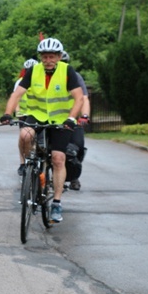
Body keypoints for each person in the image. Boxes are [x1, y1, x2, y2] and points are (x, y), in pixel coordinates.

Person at [0, 37, 84, 223]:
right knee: (25, 134)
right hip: (37, 115)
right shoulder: (33, 71)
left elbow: (79, 98)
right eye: (45, 57)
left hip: (61, 120)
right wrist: (7, 113)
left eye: (52, 56)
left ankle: (56, 202)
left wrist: (71, 118)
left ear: (60, 56)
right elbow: (17, 93)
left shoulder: (67, 71)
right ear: (40, 57)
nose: (48, 60)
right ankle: (31, 163)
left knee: (58, 158)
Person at [61, 51, 90, 190]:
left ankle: (74, 177)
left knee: (78, 145)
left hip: (72, 119)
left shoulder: (75, 77)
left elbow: (84, 98)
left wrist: (84, 115)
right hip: (51, 119)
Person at [15, 58, 38, 176]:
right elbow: (16, 98)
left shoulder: (41, 80)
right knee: (22, 139)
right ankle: (22, 163)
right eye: (28, 70)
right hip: (24, 114)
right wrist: (17, 111)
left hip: (37, 113)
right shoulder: (20, 81)